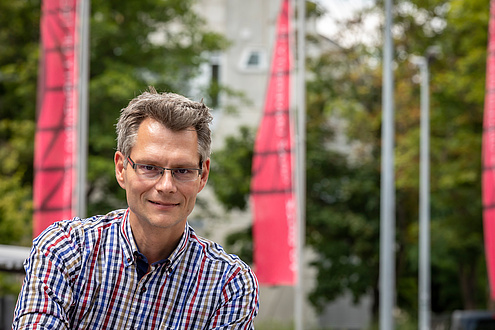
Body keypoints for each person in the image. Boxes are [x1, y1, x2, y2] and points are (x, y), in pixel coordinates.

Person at [12, 87, 259, 329]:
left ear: (202, 176)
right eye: (149, 167)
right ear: (121, 169)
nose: (166, 186)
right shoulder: (64, 251)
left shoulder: (229, 284)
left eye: (182, 170)